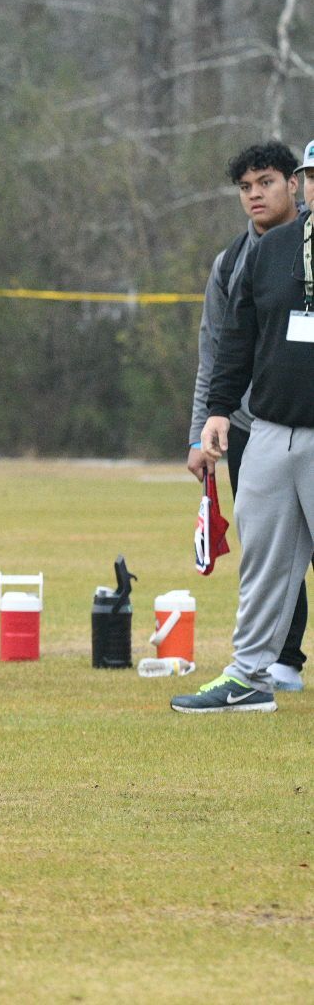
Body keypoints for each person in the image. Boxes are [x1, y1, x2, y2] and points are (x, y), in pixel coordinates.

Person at [177, 143, 314, 714]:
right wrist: (215, 410)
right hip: (270, 429)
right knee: (262, 560)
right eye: (312, 176)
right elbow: (232, 341)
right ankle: (250, 677)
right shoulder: (270, 250)